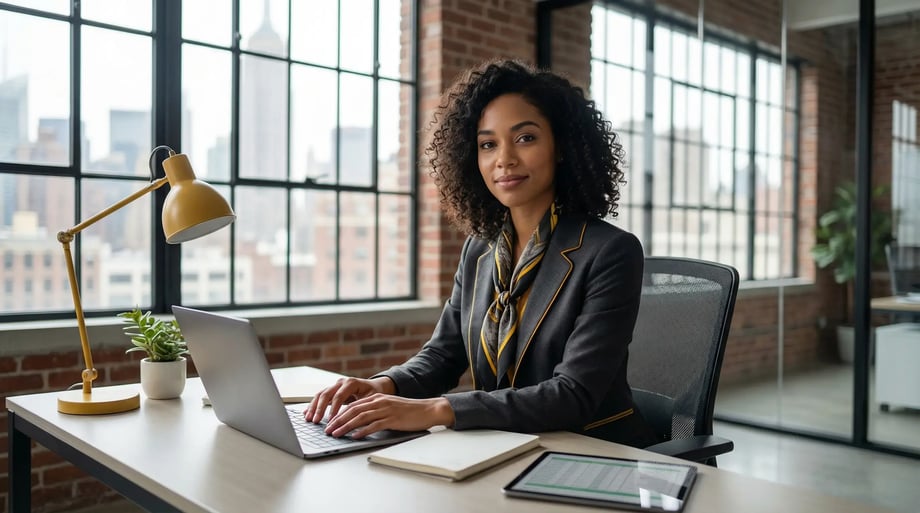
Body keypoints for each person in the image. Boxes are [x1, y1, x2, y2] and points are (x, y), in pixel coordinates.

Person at [305, 59, 659, 448]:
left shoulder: (609, 252)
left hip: (591, 449)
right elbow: (443, 355)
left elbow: (572, 395)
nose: (503, 159)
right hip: (502, 443)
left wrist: (438, 410)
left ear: (562, 147)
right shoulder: (480, 250)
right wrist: (381, 384)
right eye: (488, 144)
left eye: (525, 138)